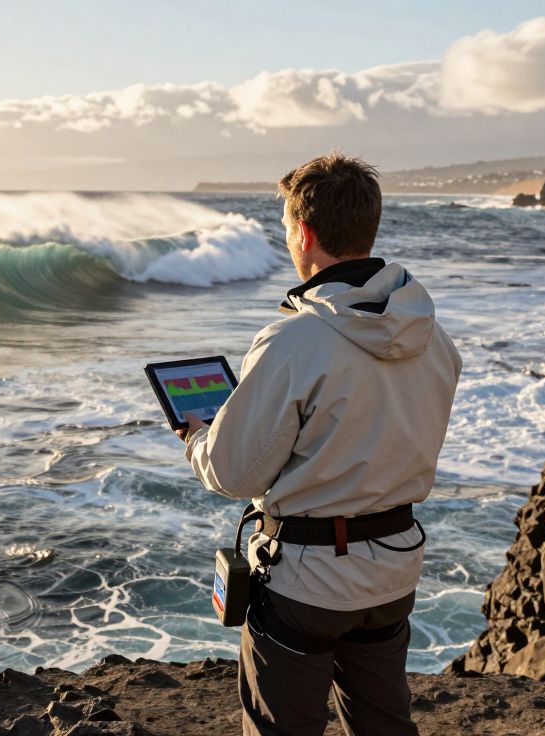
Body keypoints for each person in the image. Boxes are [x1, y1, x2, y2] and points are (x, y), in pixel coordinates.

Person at [176, 152, 461, 735]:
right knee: (384, 725)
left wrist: (199, 437)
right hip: (395, 567)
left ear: (304, 232)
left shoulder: (293, 340)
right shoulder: (431, 334)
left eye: (286, 225)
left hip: (307, 582)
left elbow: (233, 474)